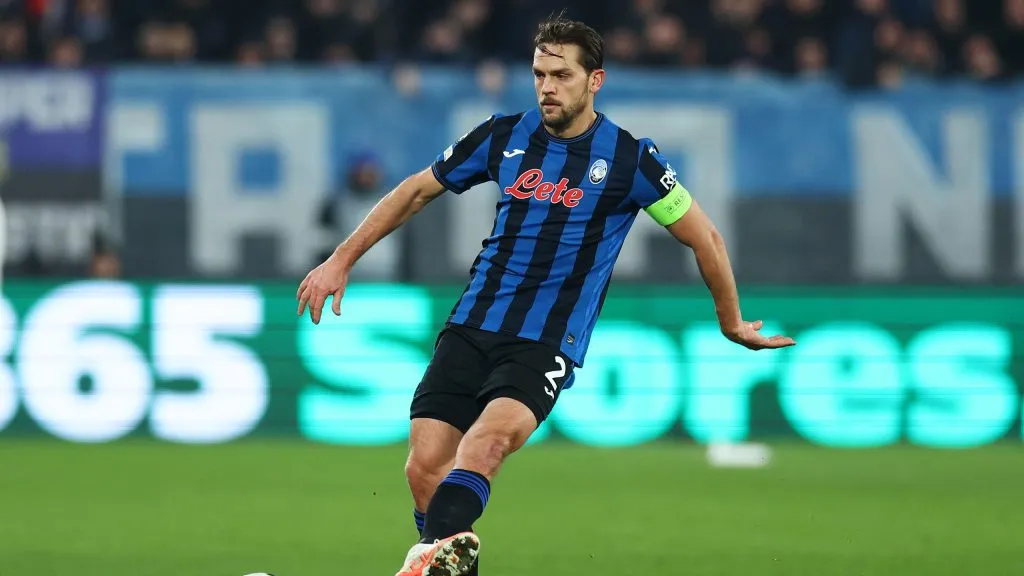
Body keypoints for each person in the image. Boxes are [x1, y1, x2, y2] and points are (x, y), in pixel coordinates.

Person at [296, 12, 796, 576]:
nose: (547, 87)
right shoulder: (502, 136)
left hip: (546, 339)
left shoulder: (631, 160)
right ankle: (439, 563)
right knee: (423, 469)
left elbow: (704, 237)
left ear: (594, 81)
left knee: (484, 447)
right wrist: (341, 259)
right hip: (473, 322)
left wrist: (730, 322)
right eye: (539, 74)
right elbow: (415, 192)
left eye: (560, 75)